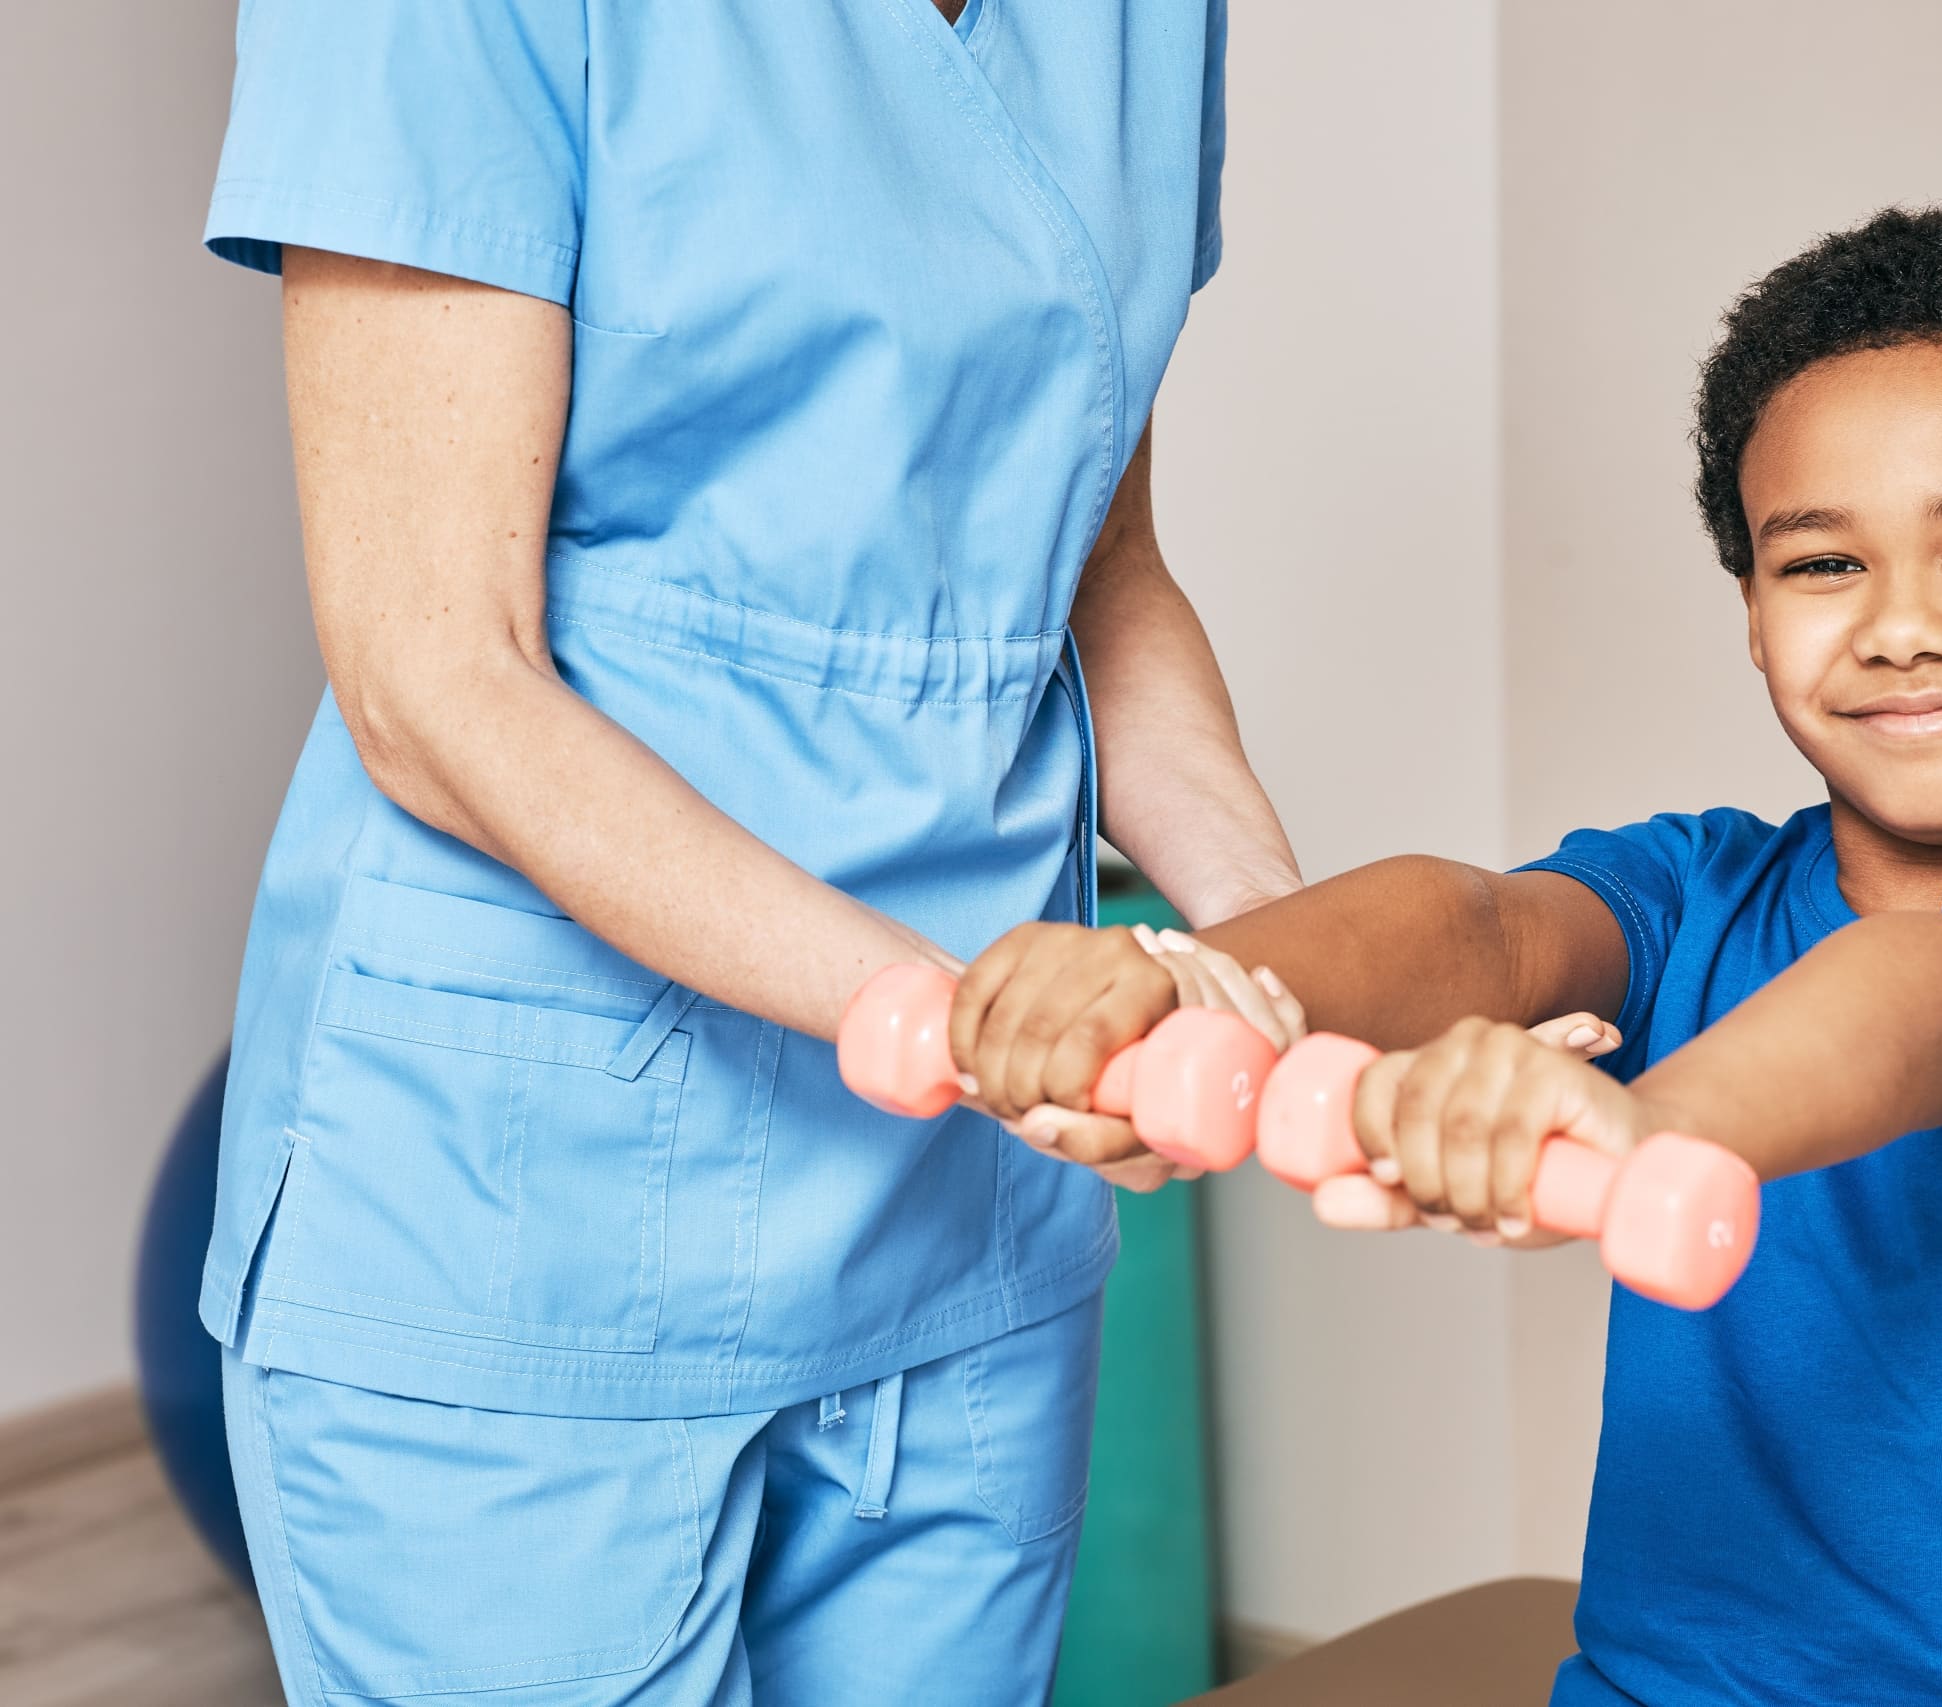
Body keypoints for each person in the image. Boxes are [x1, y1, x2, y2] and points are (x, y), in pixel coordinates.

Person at [947, 207, 1942, 1705]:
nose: (1902, 627)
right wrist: (1183, 982)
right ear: (1751, 607)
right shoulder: (1694, 892)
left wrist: (1650, 1125)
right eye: (1822, 567)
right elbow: (1472, 923)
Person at [194, 3, 1297, 1702]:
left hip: (966, 1215)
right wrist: (968, 1024)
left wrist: (1296, 966)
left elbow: (1092, 566)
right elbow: (437, 679)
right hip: (530, 1184)